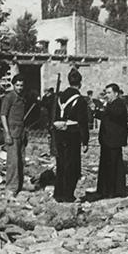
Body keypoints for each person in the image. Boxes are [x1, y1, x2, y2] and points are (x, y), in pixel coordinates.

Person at [52, 68, 89, 202]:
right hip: (72, 134)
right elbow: (83, 122)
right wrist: (85, 141)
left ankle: (58, 193)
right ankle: (68, 195)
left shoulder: (59, 97)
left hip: (59, 134)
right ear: (80, 84)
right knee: (72, 165)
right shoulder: (80, 100)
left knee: (61, 164)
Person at [94, 83, 128, 198]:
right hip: (107, 140)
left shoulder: (119, 104)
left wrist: (104, 106)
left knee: (113, 166)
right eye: (106, 93)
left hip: (114, 140)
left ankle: (112, 191)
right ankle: (105, 190)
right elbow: (106, 116)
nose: (107, 95)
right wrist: (95, 112)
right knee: (107, 166)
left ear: (116, 93)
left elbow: (115, 114)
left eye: (109, 93)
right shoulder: (111, 104)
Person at [0, 74, 27, 196]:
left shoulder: (22, 97)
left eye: (22, 85)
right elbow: (3, 115)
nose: (20, 87)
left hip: (21, 133)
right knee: (13, 161)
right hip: (12, 132)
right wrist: (7, 133)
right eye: (17, 85)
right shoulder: (9, 97)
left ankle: (19, 186)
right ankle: (10, 188)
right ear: (13, 85)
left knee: (20, 160)